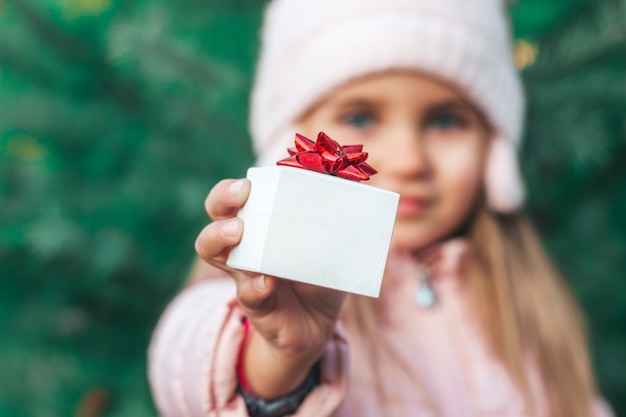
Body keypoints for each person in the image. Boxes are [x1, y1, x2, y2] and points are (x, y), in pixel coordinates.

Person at [148, 0, 614, 416]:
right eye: (360, 117)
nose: (409, 160)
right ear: (289, 142)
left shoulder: (524, 299)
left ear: (495, 153)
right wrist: (278, 356)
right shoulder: (274, 281)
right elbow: (187, 355)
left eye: (447, 120)